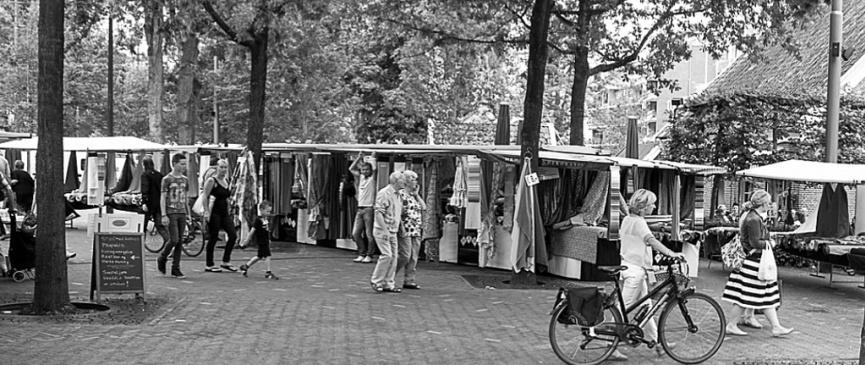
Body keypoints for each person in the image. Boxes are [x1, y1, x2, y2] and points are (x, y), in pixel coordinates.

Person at [723, 189, 794, 337]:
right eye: (768, 202)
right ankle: (731, 325)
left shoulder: (753, 217)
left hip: (754, 263)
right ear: (762, 203)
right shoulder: (754, 219)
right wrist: (770, 242)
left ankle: (776, 327)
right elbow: (755, 242)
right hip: (753, 263)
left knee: (765, 295)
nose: (770, 205)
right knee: (747, 296)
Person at [370, 171, 405, 293]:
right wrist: (384, 230)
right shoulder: (384, 193)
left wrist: (400, 228)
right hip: (383, 230)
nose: (404, 182)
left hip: (393, 230)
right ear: (396, 181)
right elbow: (378, 212)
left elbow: (397, 214)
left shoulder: (398, 194)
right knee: (387, 255)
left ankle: (388, 283)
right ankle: (376, 281)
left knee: (394, 257)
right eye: (402, 180)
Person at [156, 153, 190, 279]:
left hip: (182, 212)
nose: (184, 166)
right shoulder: (167, 179)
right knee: (174, 239)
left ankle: (176, 268)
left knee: (180, 241)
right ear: (174, 164)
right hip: (171, 212)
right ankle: (162, 257)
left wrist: (188, 213)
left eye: (185, 164)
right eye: (181, 164)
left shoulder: (185, 179)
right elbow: (163, 197)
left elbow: (185, 197)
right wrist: (164, 214)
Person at [201, 158, 239, 273]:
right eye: (221, 167)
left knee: (232, 235)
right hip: (214, 212)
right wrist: (206, 211)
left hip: (224, 213)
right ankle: (209, 264)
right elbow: (204, 196)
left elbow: (227, 197)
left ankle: (225, 261)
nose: (223, 169)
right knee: (213, 237)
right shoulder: (212, 181)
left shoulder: (226, 181)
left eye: (225, 167)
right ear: (217, 168)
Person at [395, 170, 426, 290]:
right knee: (405, 255)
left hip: (416, 228)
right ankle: (390, 275)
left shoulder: (413, 195)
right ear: (407, 181)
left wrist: (417, 194)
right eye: (413, 179)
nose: (416, 182)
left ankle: (409, 280)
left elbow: (423, 207)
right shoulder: (401, 194)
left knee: (413, 256)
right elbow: (399, 211)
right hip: (406, 228)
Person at [239, 200, 277, 279]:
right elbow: (252, 231)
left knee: (259, 256)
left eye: (270, 211)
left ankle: (246, 266)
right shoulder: (258, 220)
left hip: (265, 240)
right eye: (267, 211)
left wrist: (269, 239)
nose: (268, 213)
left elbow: (266, 230)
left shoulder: (265, 219)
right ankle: (268, 272)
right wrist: (246, 241)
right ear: (261, 210)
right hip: (261, 241)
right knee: (267, 255)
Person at [349, 152, 377, 263]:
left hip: (369, 208)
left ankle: (369, 255)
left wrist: (373, 157)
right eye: (363, 170)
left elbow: (374, 170)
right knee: (355, 233)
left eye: (366, 170)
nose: (364, 171)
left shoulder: (372, 180)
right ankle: (362, 253)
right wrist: (359, 157)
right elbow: (351, 168)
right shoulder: (361, 178)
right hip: (360, 209)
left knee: (369, 234)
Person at [140, 156, 169, 249]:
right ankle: (169, 242)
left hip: (149, 203)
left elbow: (145, 189)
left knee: (143, 225)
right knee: (159, 225)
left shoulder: (145, 175)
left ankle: (141, 245)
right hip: (159, 202)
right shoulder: (159, 175)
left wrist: (144, 202)